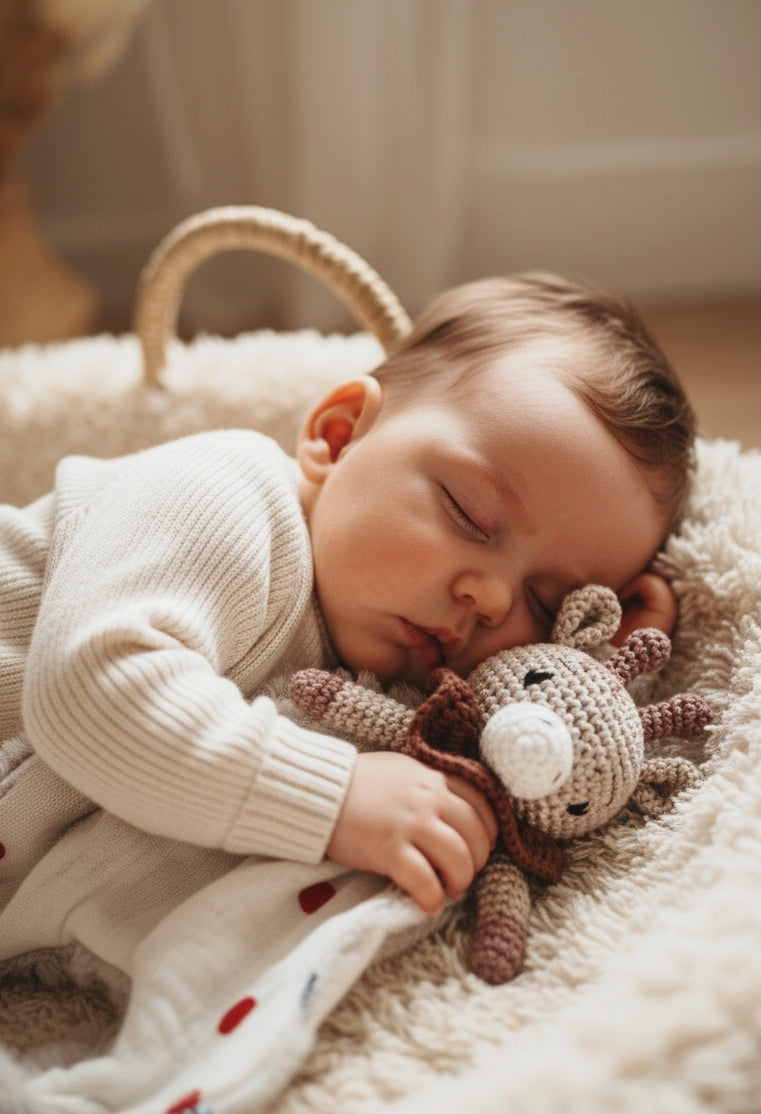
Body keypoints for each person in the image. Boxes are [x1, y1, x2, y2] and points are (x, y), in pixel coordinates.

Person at [0, 271, 696, 925]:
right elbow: (89, 688)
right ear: (338, 437)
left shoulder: (379, 682)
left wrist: (612, 659)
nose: (489, 599)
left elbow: (535, 738)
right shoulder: (224, 498)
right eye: (471, 514)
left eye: (546, 605)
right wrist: (332, 797)